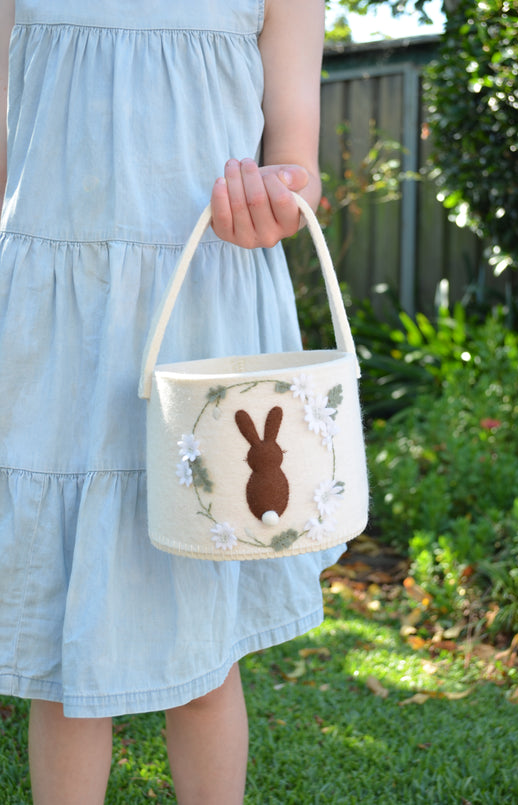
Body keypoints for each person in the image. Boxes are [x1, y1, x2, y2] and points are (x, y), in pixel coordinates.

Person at [0, 1, 342, 803]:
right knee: (65, 655)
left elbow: (297, 156)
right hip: (61, 326)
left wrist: (276, 194)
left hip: (204, 315)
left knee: (203, 647)